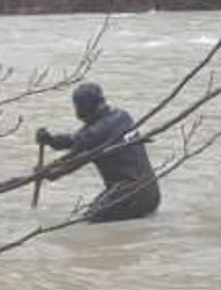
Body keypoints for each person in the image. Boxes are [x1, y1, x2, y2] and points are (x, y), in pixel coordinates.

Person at [35, 82, 161, 223]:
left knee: (85, 223)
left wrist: (45, 172)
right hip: (151, 193)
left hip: (128, 195)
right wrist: (51, 140)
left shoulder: (95, 133)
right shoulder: (122, 116)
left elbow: (67, 165)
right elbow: (76, 139)